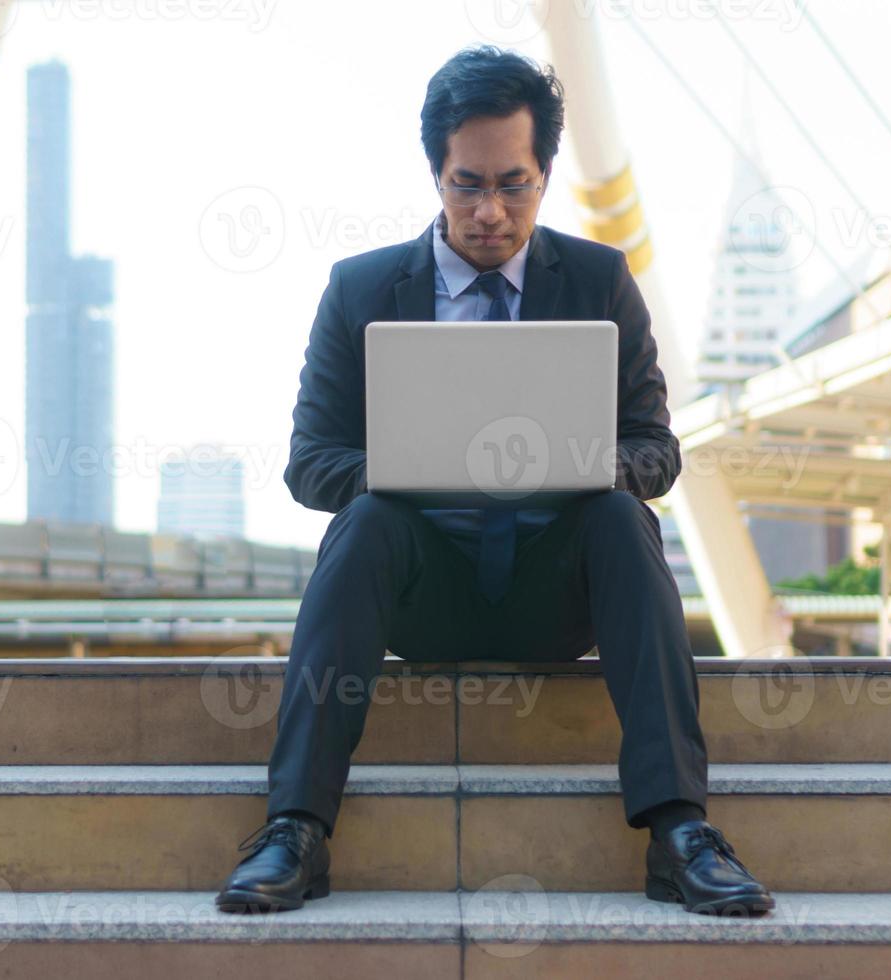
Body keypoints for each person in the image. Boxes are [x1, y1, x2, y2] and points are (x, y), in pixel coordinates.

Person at [214, 44, 773, 918]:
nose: (489, 211)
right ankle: (295, 828)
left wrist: (588, 462)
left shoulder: (597, 280)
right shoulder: (361, 291)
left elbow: (657, 450)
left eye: (514, 184)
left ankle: (679, 833)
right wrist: (407, 463)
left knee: (625, 521)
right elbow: (309, 461)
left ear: (546, 173)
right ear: (435, 174)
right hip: (421, 593)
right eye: (466, 185)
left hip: (557, 593)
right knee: (359, 525)